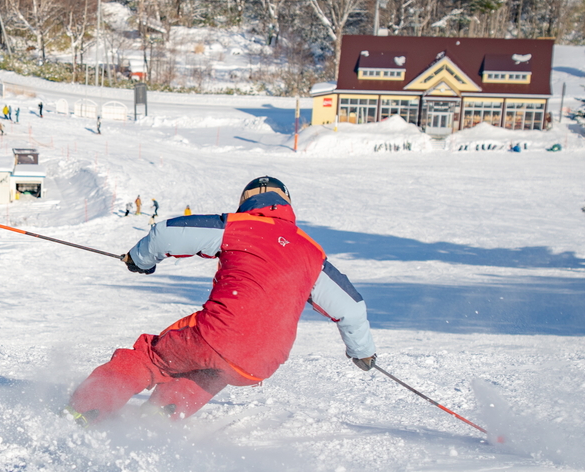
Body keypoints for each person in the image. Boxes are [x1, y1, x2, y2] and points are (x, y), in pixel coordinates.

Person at [66, 177, 376, 424]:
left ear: (247, 203)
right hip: (261, 362)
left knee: (152, 357)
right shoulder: (312, 253)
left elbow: (165, 234)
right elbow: (352, 308)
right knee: (212, 370)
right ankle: (162, 416)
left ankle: (85, 408)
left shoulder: (240, 225)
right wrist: (361, 352)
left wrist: (140, 259)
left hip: (220, 334)